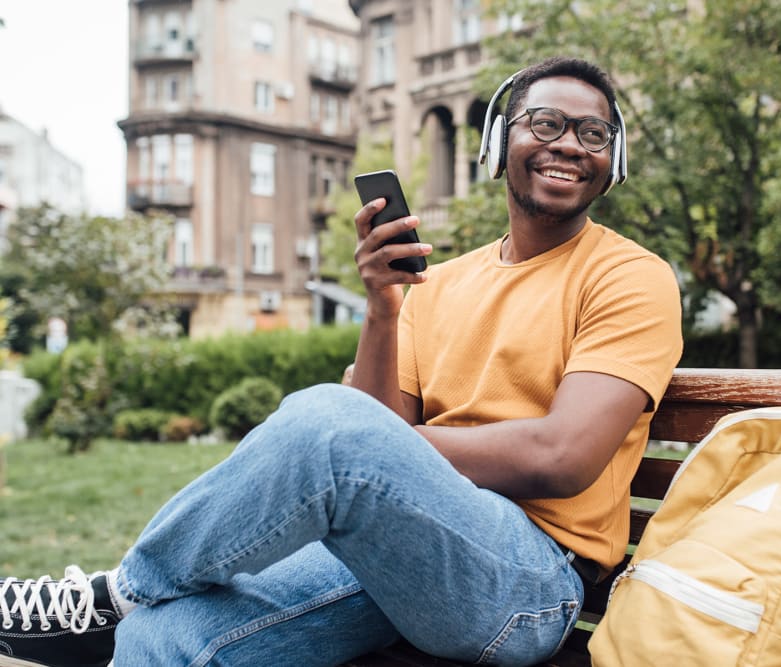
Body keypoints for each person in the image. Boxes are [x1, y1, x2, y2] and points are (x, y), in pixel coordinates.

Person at [0, 56, 682, 667]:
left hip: (528, 582)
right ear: (499, 140)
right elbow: (374, 439)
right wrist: (382, 307)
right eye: (546, 122)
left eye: (593, 133)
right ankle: (132, 608)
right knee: (164, 635)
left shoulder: (629, 276)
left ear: (611, 159)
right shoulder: (436, 283)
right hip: (398, 555)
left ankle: (115, 589)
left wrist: (376, 449)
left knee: (328, 421)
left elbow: (562, 456)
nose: (569, 143)